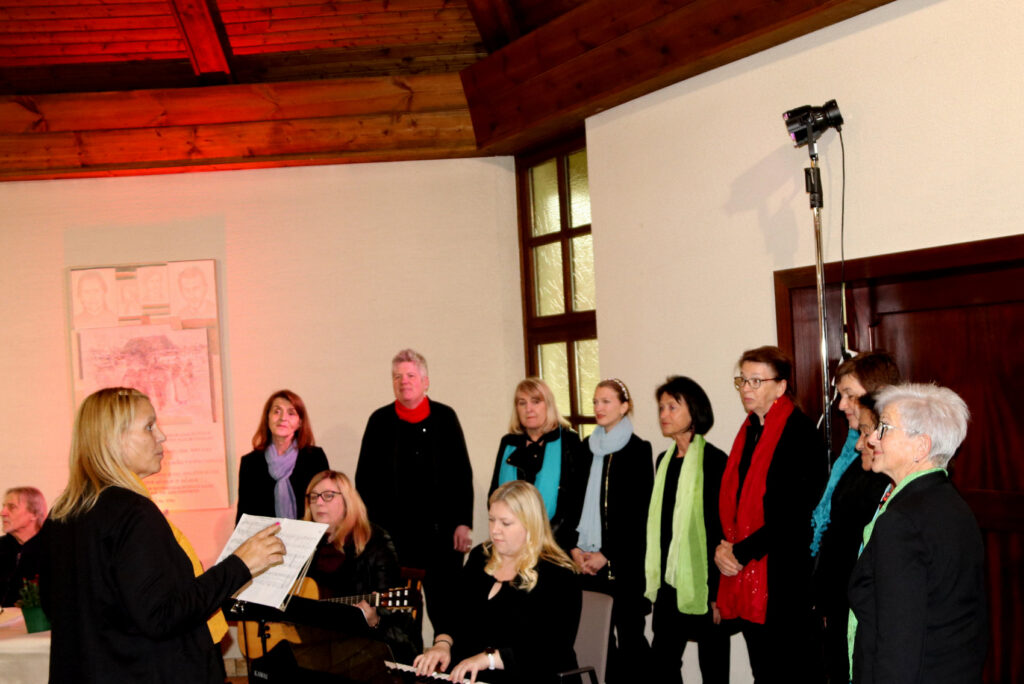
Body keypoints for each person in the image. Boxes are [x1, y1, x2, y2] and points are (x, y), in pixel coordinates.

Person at [42, 387, 285, 683]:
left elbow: (56, 607)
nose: (161, 436)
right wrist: (240, 565)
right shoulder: (133, 513)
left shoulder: (61, 514)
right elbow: (162, 614)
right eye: (148, 427)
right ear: (113, 439)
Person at [848, 383, 987, 683]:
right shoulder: (951, 502)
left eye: (884, 428)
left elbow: (898, 645)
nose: (871, 438)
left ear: (920, 447)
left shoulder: (901, 522)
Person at [715, 345, 827, 683]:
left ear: (780, 386)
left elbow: (794, 515)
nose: (746, 389)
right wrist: (724, 548)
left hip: (785, 578)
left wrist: (739, 552)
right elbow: (732, 504)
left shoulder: (800, 432)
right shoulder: (749, 430)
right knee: (762, 672)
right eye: (742, 380)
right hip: (748, 572)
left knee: (789, 672)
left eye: (756, 381)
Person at [413, 481, 581, 684]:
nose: (495, 530)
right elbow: (454, 612)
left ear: (530, 524)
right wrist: (442, 643)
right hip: (471, 676)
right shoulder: (481, 556)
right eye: (492, 520)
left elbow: (551, 648)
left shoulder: (560, 574)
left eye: (505, 523)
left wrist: (490, 659)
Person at [355, 349, 473, 633]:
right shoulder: (379, 421)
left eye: (410, 375)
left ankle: (446, 657)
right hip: (394, 541)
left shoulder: (445, 418)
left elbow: (461, 474)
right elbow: (364, 480)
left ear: (425, 381)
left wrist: (463, 523)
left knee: (447, 612)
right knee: (399, 618)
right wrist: (372, 531)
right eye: (397, 377)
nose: (403, 381)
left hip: (442, 538)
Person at [809, 352, 899, 683]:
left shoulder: (885, 460)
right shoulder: (852, 449)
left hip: (859, 605)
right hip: (839, 600)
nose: (841, 404)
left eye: (849, 394)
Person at [565, 378, 653, 682]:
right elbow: (572, 503)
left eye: (606, 401)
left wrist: (607, 554)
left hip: (624, 565)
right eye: (595, 402)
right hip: (586, 563)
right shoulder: (584, 448)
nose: (598, 408)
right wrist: (574, 548)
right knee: (599, 642)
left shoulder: (638, 449)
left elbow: (638, 513)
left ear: (624, 406)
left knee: (631, 641)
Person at [645, 376, 729, 684]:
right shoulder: (663, 461)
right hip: (670, 582)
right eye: (661, 407)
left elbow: (720, 528)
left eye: (672, 407)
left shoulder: (715, 461)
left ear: (693, 411)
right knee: (662, 664)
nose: (664, 414)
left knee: (713, 667)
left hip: (704, 583)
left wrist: (718, 592)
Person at [303, 470, 419, 662]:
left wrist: (375, 620)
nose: (319, 503)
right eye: (314, 497)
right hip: (315, 641)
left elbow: (395, 618)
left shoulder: (375, 541)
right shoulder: (306, 543)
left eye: (328, 495)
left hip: (363, 643)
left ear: (347, 501)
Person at [489, 378, 581, 550]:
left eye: (536, 401)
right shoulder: (509, 442)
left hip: (556, 543)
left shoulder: (569, 441)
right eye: (522, 403)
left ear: (549, 405)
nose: (528, 409)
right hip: (512, 542)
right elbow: (494, 494)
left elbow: (577, 501)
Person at [236, 389, 328, 523]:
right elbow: (244, 516)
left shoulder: (315, 458)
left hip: (308, 533)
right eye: (277, 411)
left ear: (300, 422)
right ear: (267, 418)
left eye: (291, 413)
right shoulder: (250, 463)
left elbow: (325, 505)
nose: (283, 418)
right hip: (266, 535)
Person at [0, 486, 47, 606]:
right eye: (3, 507)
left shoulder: (53, 550)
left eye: (12, 507)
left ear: (34, 514)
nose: (2, 513)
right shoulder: (2, 547)